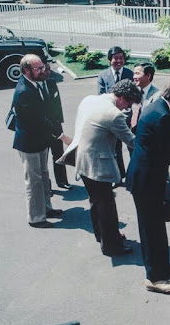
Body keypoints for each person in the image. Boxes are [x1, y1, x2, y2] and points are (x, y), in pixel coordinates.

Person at [125, 72, 170, 293]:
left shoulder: (158, 107)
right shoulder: (163, 116)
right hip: (146, 181)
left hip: (147, 177)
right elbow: (168, 153)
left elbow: (165, 143)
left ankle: (161, 266)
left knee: (156, 227)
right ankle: (155, 278)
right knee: (151, 230)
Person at [58, 79, 141, 256]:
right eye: (127, 104)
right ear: (123, 98)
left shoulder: (89, 99)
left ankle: (102, 236)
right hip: (98, 166)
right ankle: (112, 246)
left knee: (96, 202)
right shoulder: (114, 114)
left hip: (82, 160)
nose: (126, 109)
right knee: (107, 207)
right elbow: (132, 141)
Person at [12, 54, 70, 228]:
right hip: (29, 143)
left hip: (40, 140)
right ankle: (36, 217)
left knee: (44, 176)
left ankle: (46, 207)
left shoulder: (35, 85)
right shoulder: (24, 91)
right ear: (26, 70)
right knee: (33, 180)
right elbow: (38, 120)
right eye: (38, 69)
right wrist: (61, 136)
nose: (43, 71)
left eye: (42, 67)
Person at [97, 46, 134, 188]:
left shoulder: (130, 74)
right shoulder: (103, 75)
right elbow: (101, 96)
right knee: (114, 149)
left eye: (121, 58)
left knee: (132, 147)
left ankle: (132, 176)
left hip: (129, 118)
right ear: (109, 60)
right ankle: (118, 177)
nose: (118, 61)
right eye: (115, 58)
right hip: (111, 118)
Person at [39, 58, 72, 190]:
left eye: (48, 69)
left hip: (55, 125)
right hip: (42, 128)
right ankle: (47, 187)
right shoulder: (34, 86)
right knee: (43, 158)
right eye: (44, 69)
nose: (47, 72)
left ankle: (62, 181)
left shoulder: (52, 83)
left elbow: (57, 105)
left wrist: (59, 123)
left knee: (58, 154)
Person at [129, 62, 160, 134]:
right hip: (132, 136)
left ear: (148, 76)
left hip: (147, 137)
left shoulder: (157, 96)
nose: (134, 77)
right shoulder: (132, 92)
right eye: (134, 74)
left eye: (137, 74)